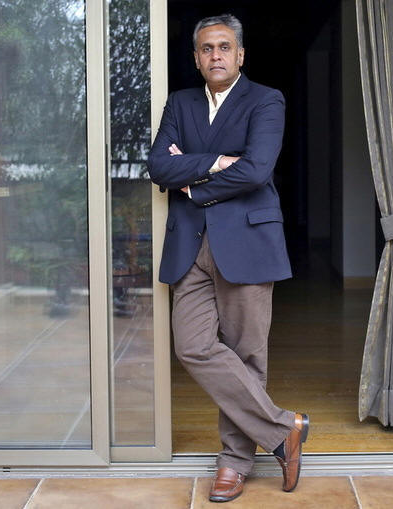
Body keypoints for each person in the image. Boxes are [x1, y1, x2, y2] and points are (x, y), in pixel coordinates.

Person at [147, 13, 309, 502]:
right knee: (192, 345)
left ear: (240, 54)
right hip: (190, 245)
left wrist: (192, 180)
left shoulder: (266, 100)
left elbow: (257, 170)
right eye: (206, 48)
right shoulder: (180, 103)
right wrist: (218, 162)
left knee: (246, 354)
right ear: (196, 58)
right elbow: (159, 165)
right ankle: (283, 429)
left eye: (223, 47)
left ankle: (234, 463)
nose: (215, 55)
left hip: (247, 242)